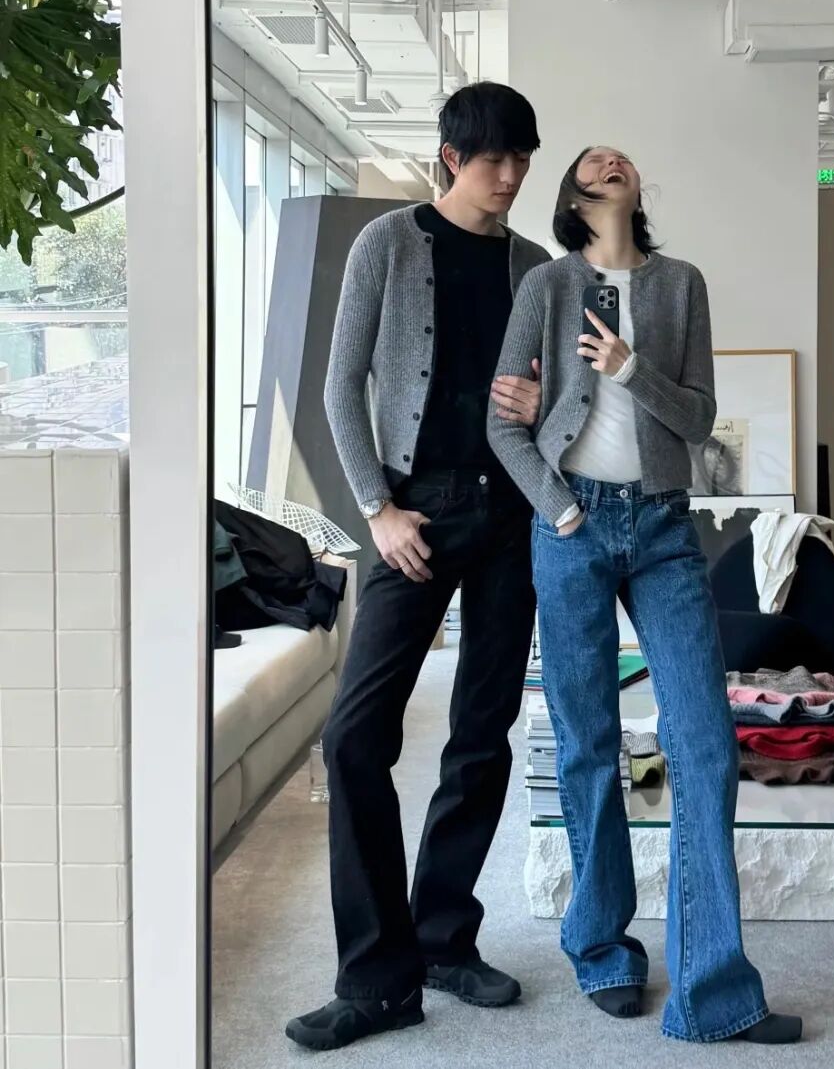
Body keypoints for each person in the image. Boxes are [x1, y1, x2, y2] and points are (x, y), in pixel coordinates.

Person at [487, 146, 802, 1046]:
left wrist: (630, 369)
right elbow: (503, 425)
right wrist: (558, 509)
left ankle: (713, 991)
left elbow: (697, 419)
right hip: (573, 527)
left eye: (619, 155)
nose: (611, 158)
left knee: (703, 740)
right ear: (575, 195)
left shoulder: (680, 284)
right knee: (587, 740)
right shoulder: (547, 287)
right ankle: (602, 949)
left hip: (664, 525)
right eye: (593, 159)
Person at [286, 83, 551, 1052]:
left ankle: (443, 935)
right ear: (450, 158)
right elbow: (339, 382)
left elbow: (561, 399)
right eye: (494, 159)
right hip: (415, 513)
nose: (511, 176)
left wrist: (545, 405)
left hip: (512, 515)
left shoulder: (535, 266)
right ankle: (376, 976)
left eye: (522, 159)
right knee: (355, 738)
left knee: (482, 733)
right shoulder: (388, 244)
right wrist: (376, 507)